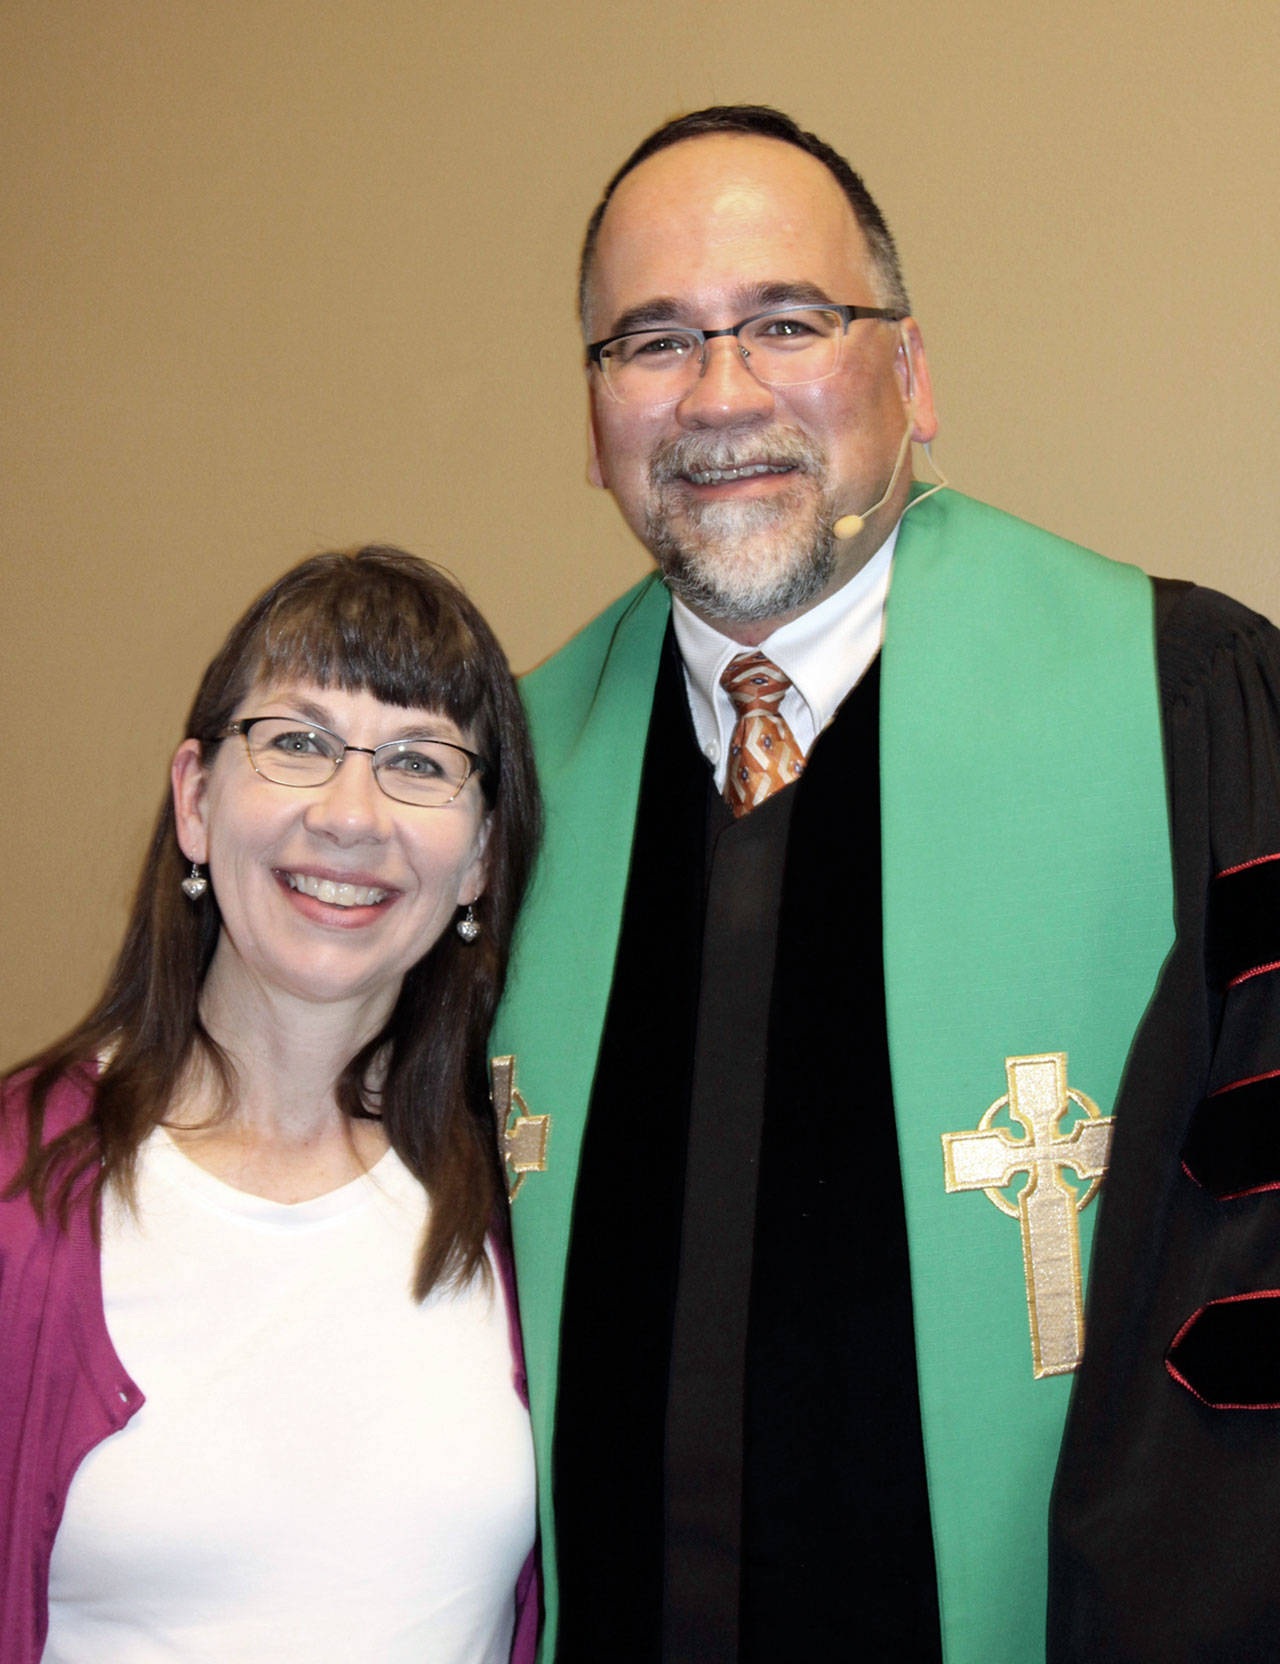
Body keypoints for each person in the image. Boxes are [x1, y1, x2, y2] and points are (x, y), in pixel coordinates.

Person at [490, 104, 1280, 1663]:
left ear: (910, 378)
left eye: (787, 322)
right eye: (650, 343)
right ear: (593, 425)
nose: (721, 396)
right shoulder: (500, 783)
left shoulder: (1189, 704)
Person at [1, 547, 542, 1664]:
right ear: (197, 799)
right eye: (296, 742)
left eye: (418, 762)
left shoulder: (526, 1202)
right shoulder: (19, 1198)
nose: (349, 815)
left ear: (481, 853)